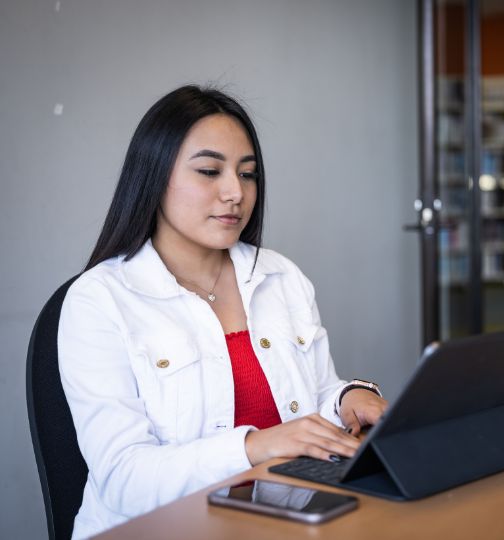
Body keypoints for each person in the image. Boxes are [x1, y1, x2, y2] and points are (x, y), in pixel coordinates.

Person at [58, 85, 388, 539]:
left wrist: (348, 399)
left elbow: (313, 396)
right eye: (210, 171)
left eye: (247, 174)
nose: (235, 192)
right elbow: (122, 477)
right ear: (154, 176)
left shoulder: (280, 275)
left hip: (283, 519)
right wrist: (254, 445)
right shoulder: (98, 301)